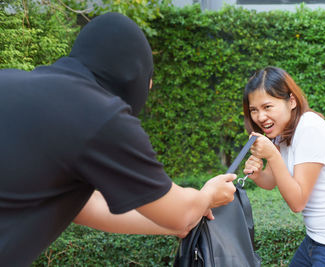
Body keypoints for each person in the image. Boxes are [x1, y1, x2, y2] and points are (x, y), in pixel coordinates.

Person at [0, 12, 237, 266]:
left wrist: (172, 225)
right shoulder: (98, 113)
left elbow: (87, 207)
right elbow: (181, 213)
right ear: (134, 75)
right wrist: (208, 196)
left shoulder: (10, 82)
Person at [242, 66, 325, 266]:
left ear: (292, 101)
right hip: (317, 239)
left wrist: (272, 155)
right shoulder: (282, 132)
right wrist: (258, 175)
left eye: (267, 107)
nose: (260, 117)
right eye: (254, 110)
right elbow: (272, 181)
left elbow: (297, 202)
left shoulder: (310, 129)